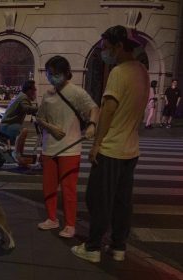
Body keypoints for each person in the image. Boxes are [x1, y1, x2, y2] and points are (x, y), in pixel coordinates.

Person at [71, 25, 149, 263]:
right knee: (122, 201)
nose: (104, 52)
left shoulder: (119, 72)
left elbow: (108, 111)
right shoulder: (142, 71)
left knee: (98, 199)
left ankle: (93, 247)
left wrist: (96, 144)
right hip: (130, 149)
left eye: (106, 47)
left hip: (111, 149)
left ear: (118, 46)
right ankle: (118, 247)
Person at [36, 55, 99, 238]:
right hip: (49, 148)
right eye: (49, 73)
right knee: (49, 187)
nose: (51, 77)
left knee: (69, 189)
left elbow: (94, 109)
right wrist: (50, 127)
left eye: (55, 74)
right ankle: (52, 218)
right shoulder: (47, 95)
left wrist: (92, 125)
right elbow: (39, 118)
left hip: (70, 149)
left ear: (65, 73)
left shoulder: (77, 93)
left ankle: (70, 224)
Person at [0, 80, 38, 165]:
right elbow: (27, 109)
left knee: (23, 130)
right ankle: (16, 153)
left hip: (9, 124)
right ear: (29, 90)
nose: (35, 92)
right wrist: (41, 109)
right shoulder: (23, 97)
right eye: (34, 89)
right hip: (7, 125)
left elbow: (28, 109)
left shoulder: (22, 96)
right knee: (23, 130)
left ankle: (20, 153)